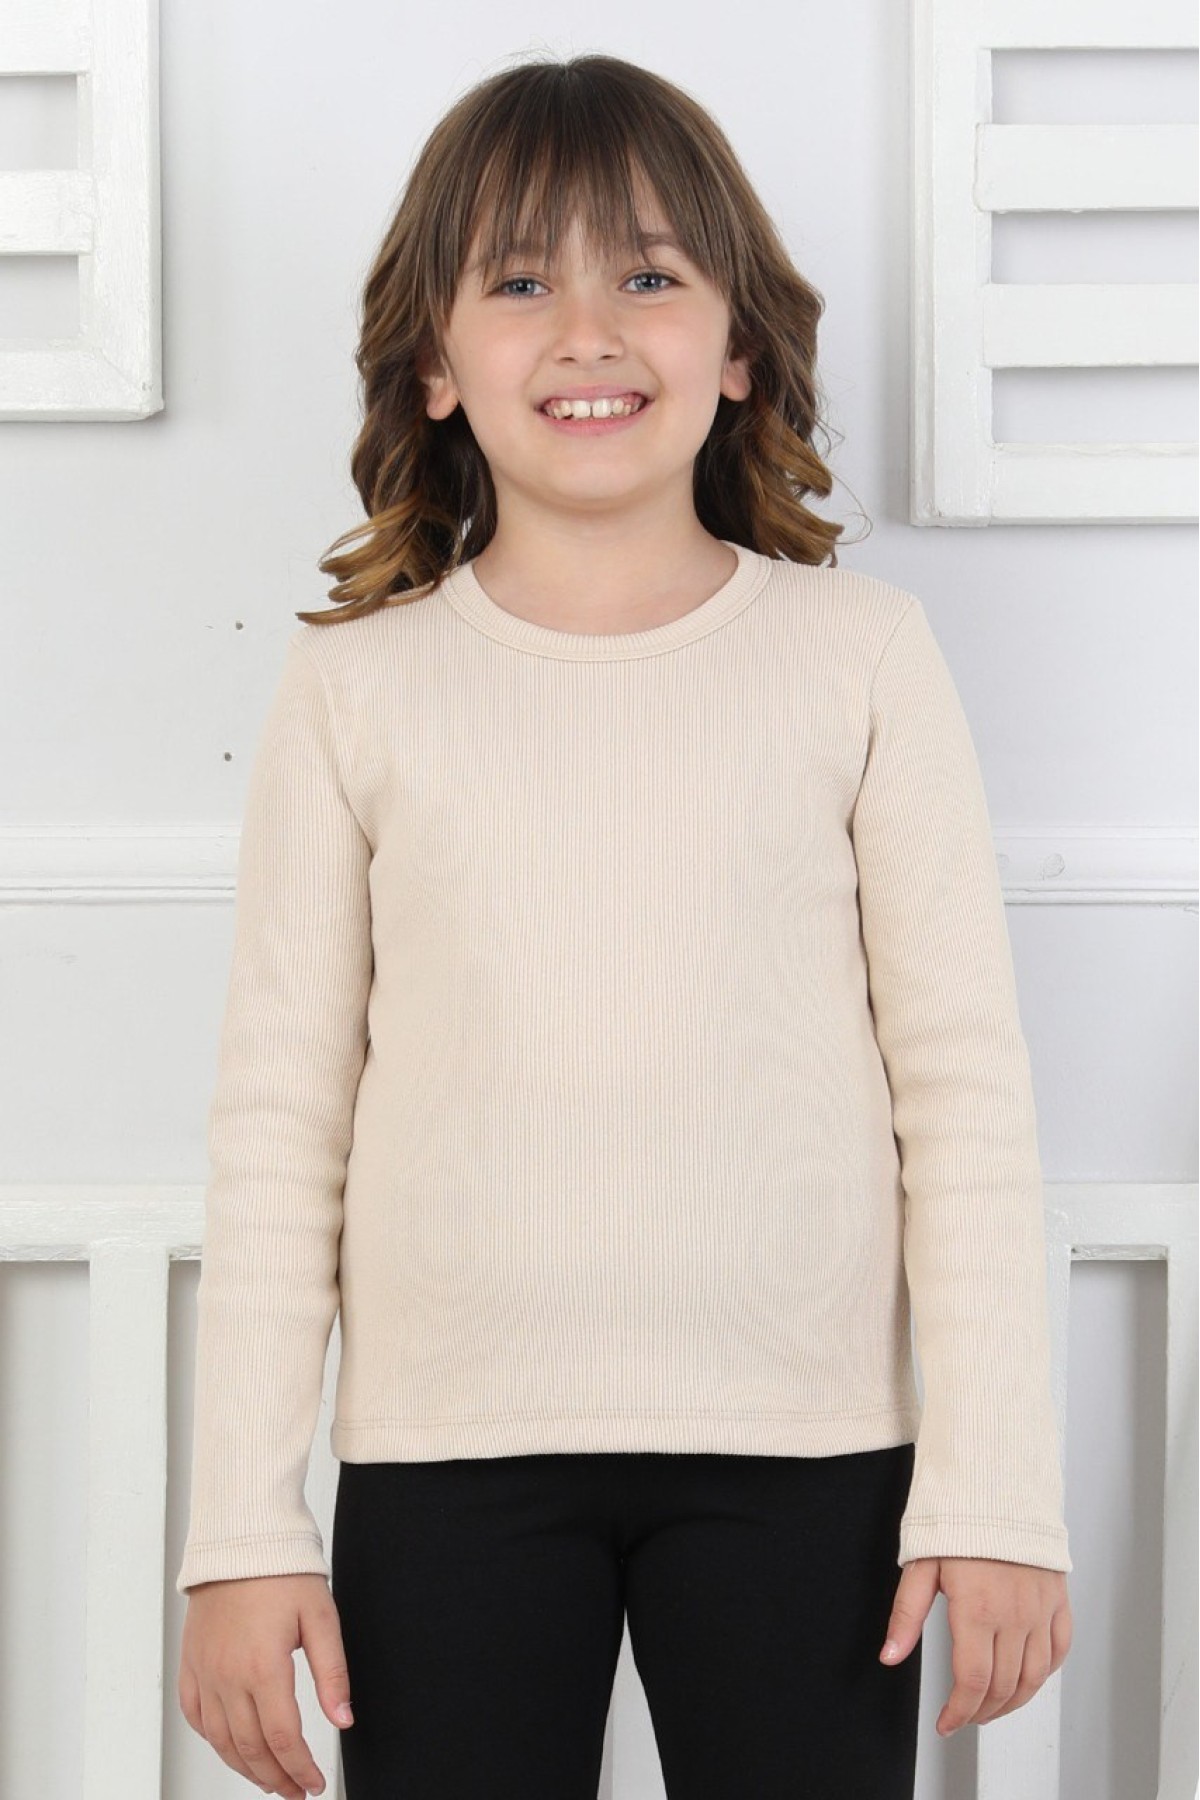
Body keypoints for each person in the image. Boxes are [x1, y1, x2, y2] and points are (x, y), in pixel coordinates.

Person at [175, 51, 1073, 1800]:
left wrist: (997, 1496)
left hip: (812, 1459)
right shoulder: (356, 689)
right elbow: (280, 1124)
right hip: (443, 1462)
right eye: (521, 283)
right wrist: (241, 1532)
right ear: (435, 363)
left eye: (648, 275)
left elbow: (963, 1099)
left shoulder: (861, 658)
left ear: (738, 348)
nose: (588, 333)